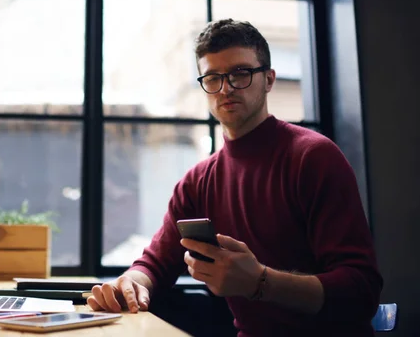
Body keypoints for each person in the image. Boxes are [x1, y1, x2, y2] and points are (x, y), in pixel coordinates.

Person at [87, 19, 383, 336]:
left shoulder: (313, 156)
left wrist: (261, 282)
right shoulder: (198, 180)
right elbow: (154, 265)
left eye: (240, 74)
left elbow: (361, 291)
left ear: (269, 79)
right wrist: (130, 284)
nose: (226, 88)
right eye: (213, 77)